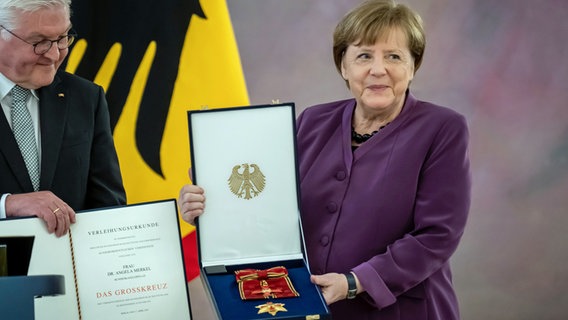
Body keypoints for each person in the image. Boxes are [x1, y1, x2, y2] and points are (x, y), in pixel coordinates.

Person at [178, 0, 471, 318]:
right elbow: (268, 203)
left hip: (400, 310)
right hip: (311, 305)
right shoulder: (312, 121)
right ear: (344, 66)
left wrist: (355, 282)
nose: (377, 69)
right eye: (363, 56)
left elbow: (437, 235)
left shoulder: (443, 128)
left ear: (413, 66)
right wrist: (212, 210)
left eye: (394, 56)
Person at [0, 0, 126, 237]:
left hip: (73, 269)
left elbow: (109, 205)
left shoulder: (87, 98)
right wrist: (8, 205)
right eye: (39, 42)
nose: (54, 54)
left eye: (62, 38)